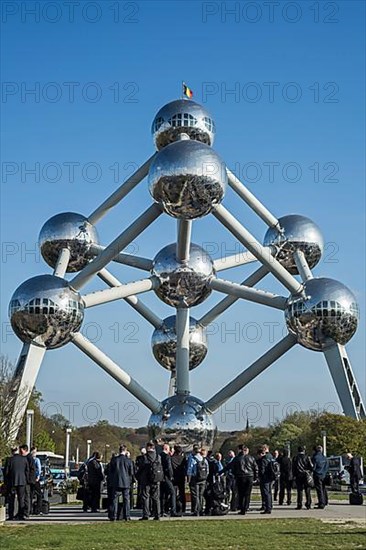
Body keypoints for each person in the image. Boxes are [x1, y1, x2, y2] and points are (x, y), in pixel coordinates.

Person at [227, 445, 258, 515]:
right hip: (249, 476)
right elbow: (256, 468)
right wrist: (256, 477)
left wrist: (221, 472)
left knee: (241, 493)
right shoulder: (251, 458)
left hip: (240, 477)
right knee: (247, 493)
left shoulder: (237, 458)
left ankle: (242, 508)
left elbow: (230, 466)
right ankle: (246, 507)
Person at [108, 445, 133, 521]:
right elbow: (131, 472)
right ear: (125, 451)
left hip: (116, 482)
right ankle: (127, 516)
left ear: (119, 451)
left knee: (114, 499)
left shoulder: (114, 460)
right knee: (126, 499)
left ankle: (114, 516)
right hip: (126, 482)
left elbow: (110, 471)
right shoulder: (129, 461)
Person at [138, 441, 163, 520]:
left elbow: (140, 468)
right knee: (156, 497)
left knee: (145, 497)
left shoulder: (144, 457)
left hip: (146, 480)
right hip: (156, 479)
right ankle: (157, 514)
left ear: (148, 447)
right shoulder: (158, 456)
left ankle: (146, 514)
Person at [4, 446, 29, 520]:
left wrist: (6, 482)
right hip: (22, 481)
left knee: (11, 499)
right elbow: (27, 470)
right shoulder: (24, 459)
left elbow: (6, 472)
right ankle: (21, 515)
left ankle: (11, 515)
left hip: (12, 482)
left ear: (12, 451)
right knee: (21, 499)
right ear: (18, 450)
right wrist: (26, 480)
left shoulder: (9, 460)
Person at [187, 446, 209, 516]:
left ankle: (196, 511)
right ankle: (201, 509)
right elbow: (207, 470)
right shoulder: (203, 459)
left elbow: (189, 469)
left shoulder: (193, 459)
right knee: (201, 495)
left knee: (195, 495)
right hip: (203, 479)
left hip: (195, 478)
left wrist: (188, 478)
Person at [160, 444, 179, 517]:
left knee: (162, 495)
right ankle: (173, 511)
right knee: (173, 492)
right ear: (166, 449)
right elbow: (169, 467)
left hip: (160, 477)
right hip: (167, 477)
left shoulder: (159, 455)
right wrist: (171, 476)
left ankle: (161, 510)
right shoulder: (167, 457)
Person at [19, 444, 36, 518]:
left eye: (20, 450)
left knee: (26, 496)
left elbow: (31, 470)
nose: (19, 452)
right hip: (26, 480)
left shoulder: (28, 458)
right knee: (24, 496)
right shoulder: (27, 457)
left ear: (24, 450)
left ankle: (26, 512)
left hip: (27, 481)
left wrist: (28, 480)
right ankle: (23, 512)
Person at [257, 444, 273, 514]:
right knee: (269, 493)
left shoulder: (264, 459)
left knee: (266, 493)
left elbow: (262, 470)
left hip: (265, 478)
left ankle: (267, 508)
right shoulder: (271, 457)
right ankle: (269, 506)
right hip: (270, 477)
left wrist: (259, 477)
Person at [171, 445, 187, 514]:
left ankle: (174, 507)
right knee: (182, 492)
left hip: (174, 476)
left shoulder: (172, 458)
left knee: (174, 493)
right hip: (182, 476)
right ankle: (183, 507)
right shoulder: (183, 458)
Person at [30, 447, 42, 515]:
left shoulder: (28, 459)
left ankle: (30, 509)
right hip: (35, 479)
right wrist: (38, 477)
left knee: (30, 495)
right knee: (39, 495)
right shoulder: (36, 460)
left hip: (29, 479)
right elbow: (39, 469)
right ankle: (38, 509)